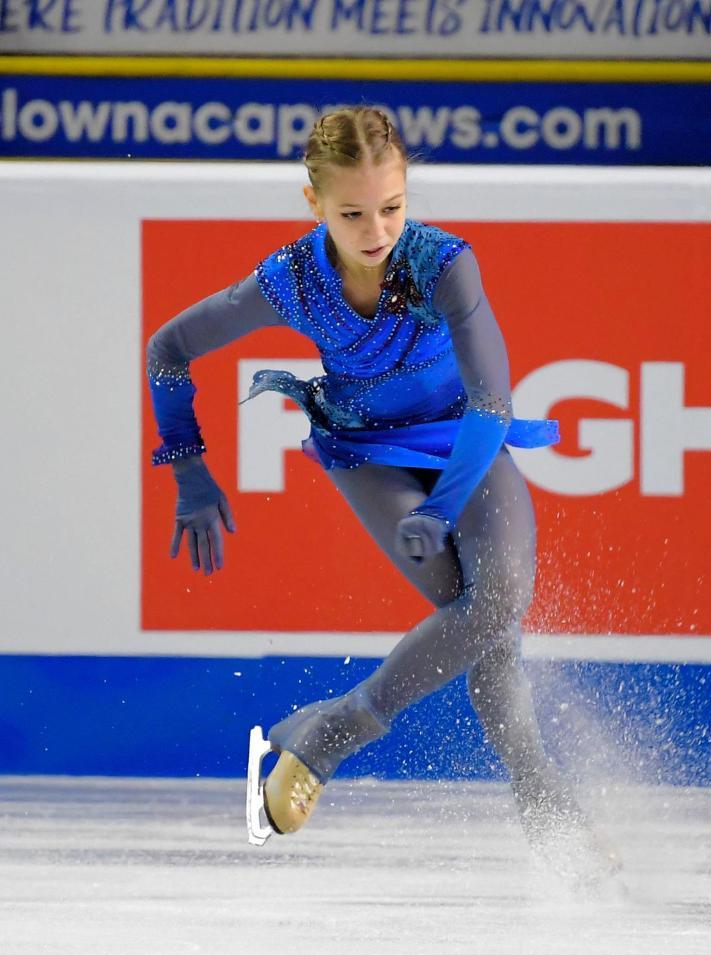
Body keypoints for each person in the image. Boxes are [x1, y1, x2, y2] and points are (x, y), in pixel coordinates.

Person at [147, 106, 617, 884]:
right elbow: (170, 348)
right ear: (314, 205)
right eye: (352, 213)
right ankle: (545, 806)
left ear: (409, 193)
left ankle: (333, 730)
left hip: (463, 440)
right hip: (365, 453)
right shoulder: (291, 281)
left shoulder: (443, 264)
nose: (376, 231)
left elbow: (490, 404)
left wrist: (442, 506)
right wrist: (190, 471)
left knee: (494, 602)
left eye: (392, 208)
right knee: (483, 619)